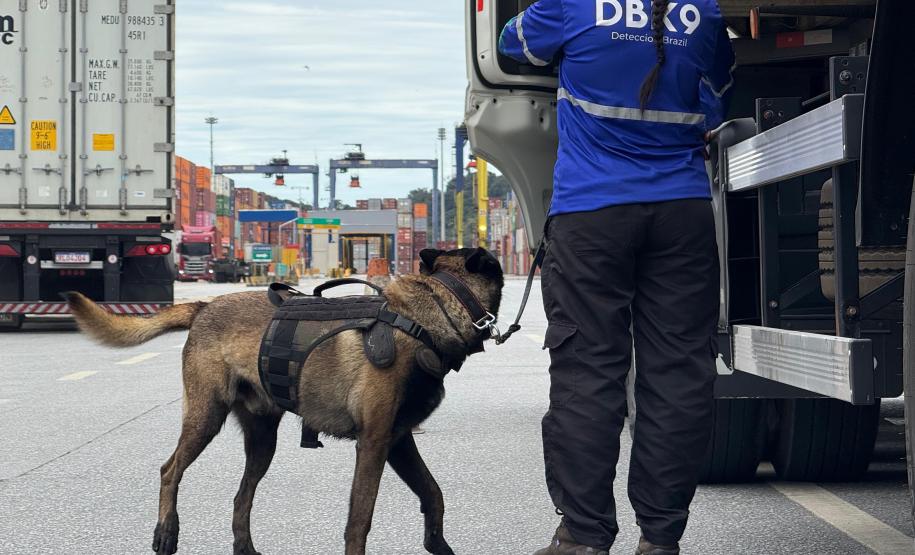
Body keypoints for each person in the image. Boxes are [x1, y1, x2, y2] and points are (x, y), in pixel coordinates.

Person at [499, 1, 735, 554]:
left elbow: (513, 42)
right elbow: (719, 89)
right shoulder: (702, 12)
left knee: (588, 371)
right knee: (679, 374)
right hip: (681, 215)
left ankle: (583, 537)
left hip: (592, 214)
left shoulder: (572, 6)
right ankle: (661, 538)